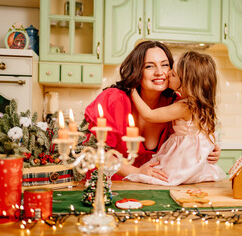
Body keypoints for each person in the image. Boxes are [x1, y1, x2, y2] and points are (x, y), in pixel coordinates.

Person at [84, 41, 221, 182]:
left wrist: (210, 149)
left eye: (165, 65)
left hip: (149, 186)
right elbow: (95, 151)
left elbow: (188, 142)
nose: (159, 72)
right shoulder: (114, 99)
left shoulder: (174, 103)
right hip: (107, 184)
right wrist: (138, 172)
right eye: (149, 66)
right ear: (136, 70)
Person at [124, 51, 226, 186]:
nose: (167, 74)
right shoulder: (197, 104)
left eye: (173, 74)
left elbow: (149, 115)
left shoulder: (185, 106)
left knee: (163, 178)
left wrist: (132, 91)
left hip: (185, 157)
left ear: (186, 82)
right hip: (193, 157)